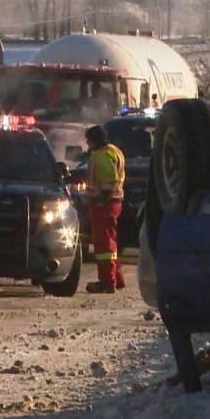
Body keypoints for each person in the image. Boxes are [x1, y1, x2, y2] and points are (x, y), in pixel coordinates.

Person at [83, 125, 126, 293]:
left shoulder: (104, 156)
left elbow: (109, 183)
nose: (87, 143)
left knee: (104, 245)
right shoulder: (113, 151)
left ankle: (107, 282)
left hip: (104, 204)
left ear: (95, 140)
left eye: (89, 140)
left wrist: (100, 200)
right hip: (111, 203)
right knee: (110, 242)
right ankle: (117, 279)